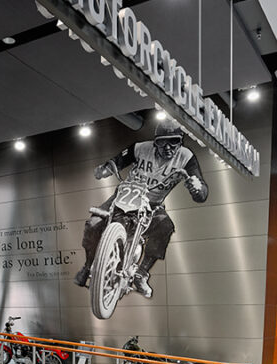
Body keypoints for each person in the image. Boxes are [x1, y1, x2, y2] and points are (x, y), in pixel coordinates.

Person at [74, 119, 208, 298]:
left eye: (173, 141)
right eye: (162, 142)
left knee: (165, 227)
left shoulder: (186, 157)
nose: (167, 147)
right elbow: (117, 161)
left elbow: (201, 191)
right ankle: (88, 265)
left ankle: (141, 274)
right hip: (124, 196)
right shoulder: (140, 148)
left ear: (180, 141)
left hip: (152, 204)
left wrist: (197, 187)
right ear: (155, 142)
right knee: (93, 223)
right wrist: (105, 169)